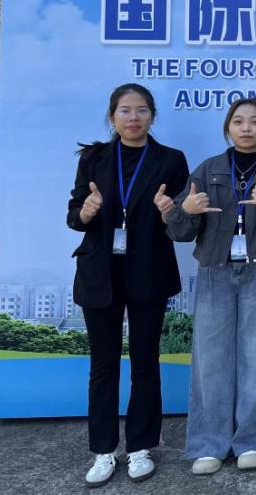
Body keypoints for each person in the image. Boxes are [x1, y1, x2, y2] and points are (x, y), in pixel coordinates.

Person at [166, 97, 256, 475]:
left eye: (255, 121)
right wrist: (185, 211)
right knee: (211, 358)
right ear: (227, 127)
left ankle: (253, 440)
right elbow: (179, 230)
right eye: (238, 121)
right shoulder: (208, 169)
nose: (246, 128)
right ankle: (210, 443)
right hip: (215, 271)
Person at [66, 83, 189, 488]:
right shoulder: (95, 158)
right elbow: (74, 215)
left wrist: (169, 212)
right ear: (112, 116)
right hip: (100, 272)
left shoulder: (171, 160)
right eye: (124, 110)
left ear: (152, 115)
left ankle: (140, 447)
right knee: (102, 365)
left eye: (141, 110)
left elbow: (183, 223)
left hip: (148, 271)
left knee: (145, 362)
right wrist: (86, 211)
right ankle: (103, 450)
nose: (133, 117)